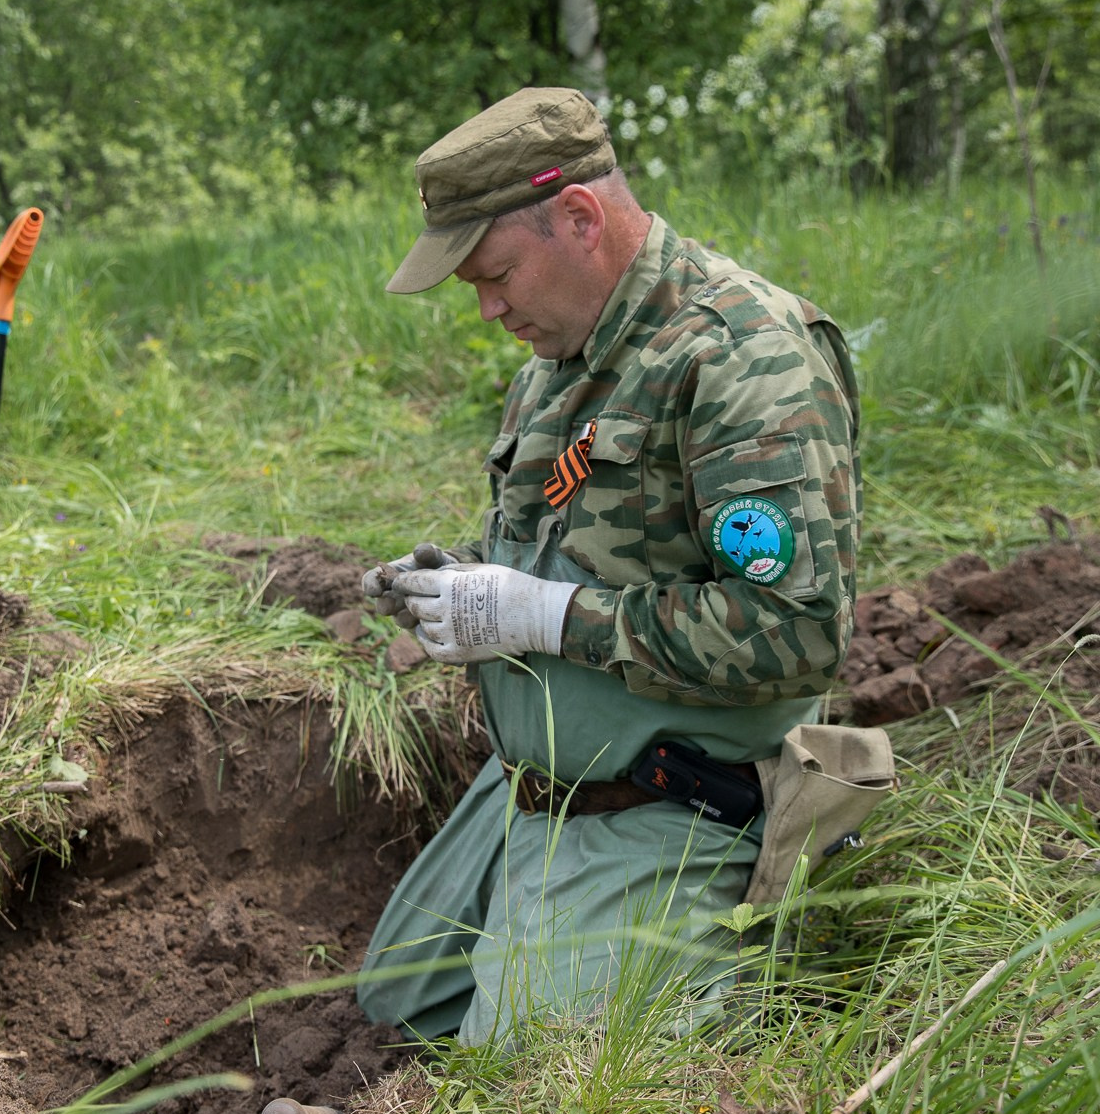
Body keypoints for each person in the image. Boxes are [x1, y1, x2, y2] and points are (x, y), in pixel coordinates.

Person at [356, 87, 862, 1048]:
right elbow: (559, 550)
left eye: (495, 273)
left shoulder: (746, 357)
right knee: (398, 1006)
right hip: (537, 786)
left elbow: (797, 634)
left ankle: (756, 984)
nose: (488, 306)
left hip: (679, 794)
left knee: (530, 1075)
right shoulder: (560, 358)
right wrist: (462, 590)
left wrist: (543, 618)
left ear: (579, 218)